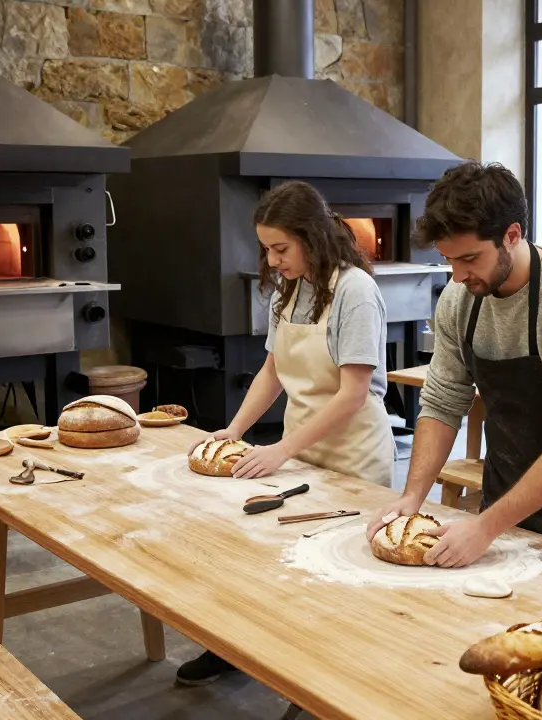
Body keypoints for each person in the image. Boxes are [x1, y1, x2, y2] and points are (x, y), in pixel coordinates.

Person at [176, 180, 395, 686]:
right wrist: (231, 431)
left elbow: (352, 394)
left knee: (336, 574)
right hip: (302, 450)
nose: (273, 260)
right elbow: (273, 372)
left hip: (353, 456)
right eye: (266, 249)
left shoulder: (355, 292)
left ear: (312, 237)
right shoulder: (290, 287)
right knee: (261, 553)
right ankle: (237, 648)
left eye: (281, 248)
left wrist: (278, 451)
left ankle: (329, 682)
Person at [366, 161, 542, 569]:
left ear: (512, 235)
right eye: (449, 260)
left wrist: (486, 526)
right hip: (505, 496)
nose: (457, 277)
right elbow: (442, 404)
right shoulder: (460, 300)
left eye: (470, 258)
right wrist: (412, 496)